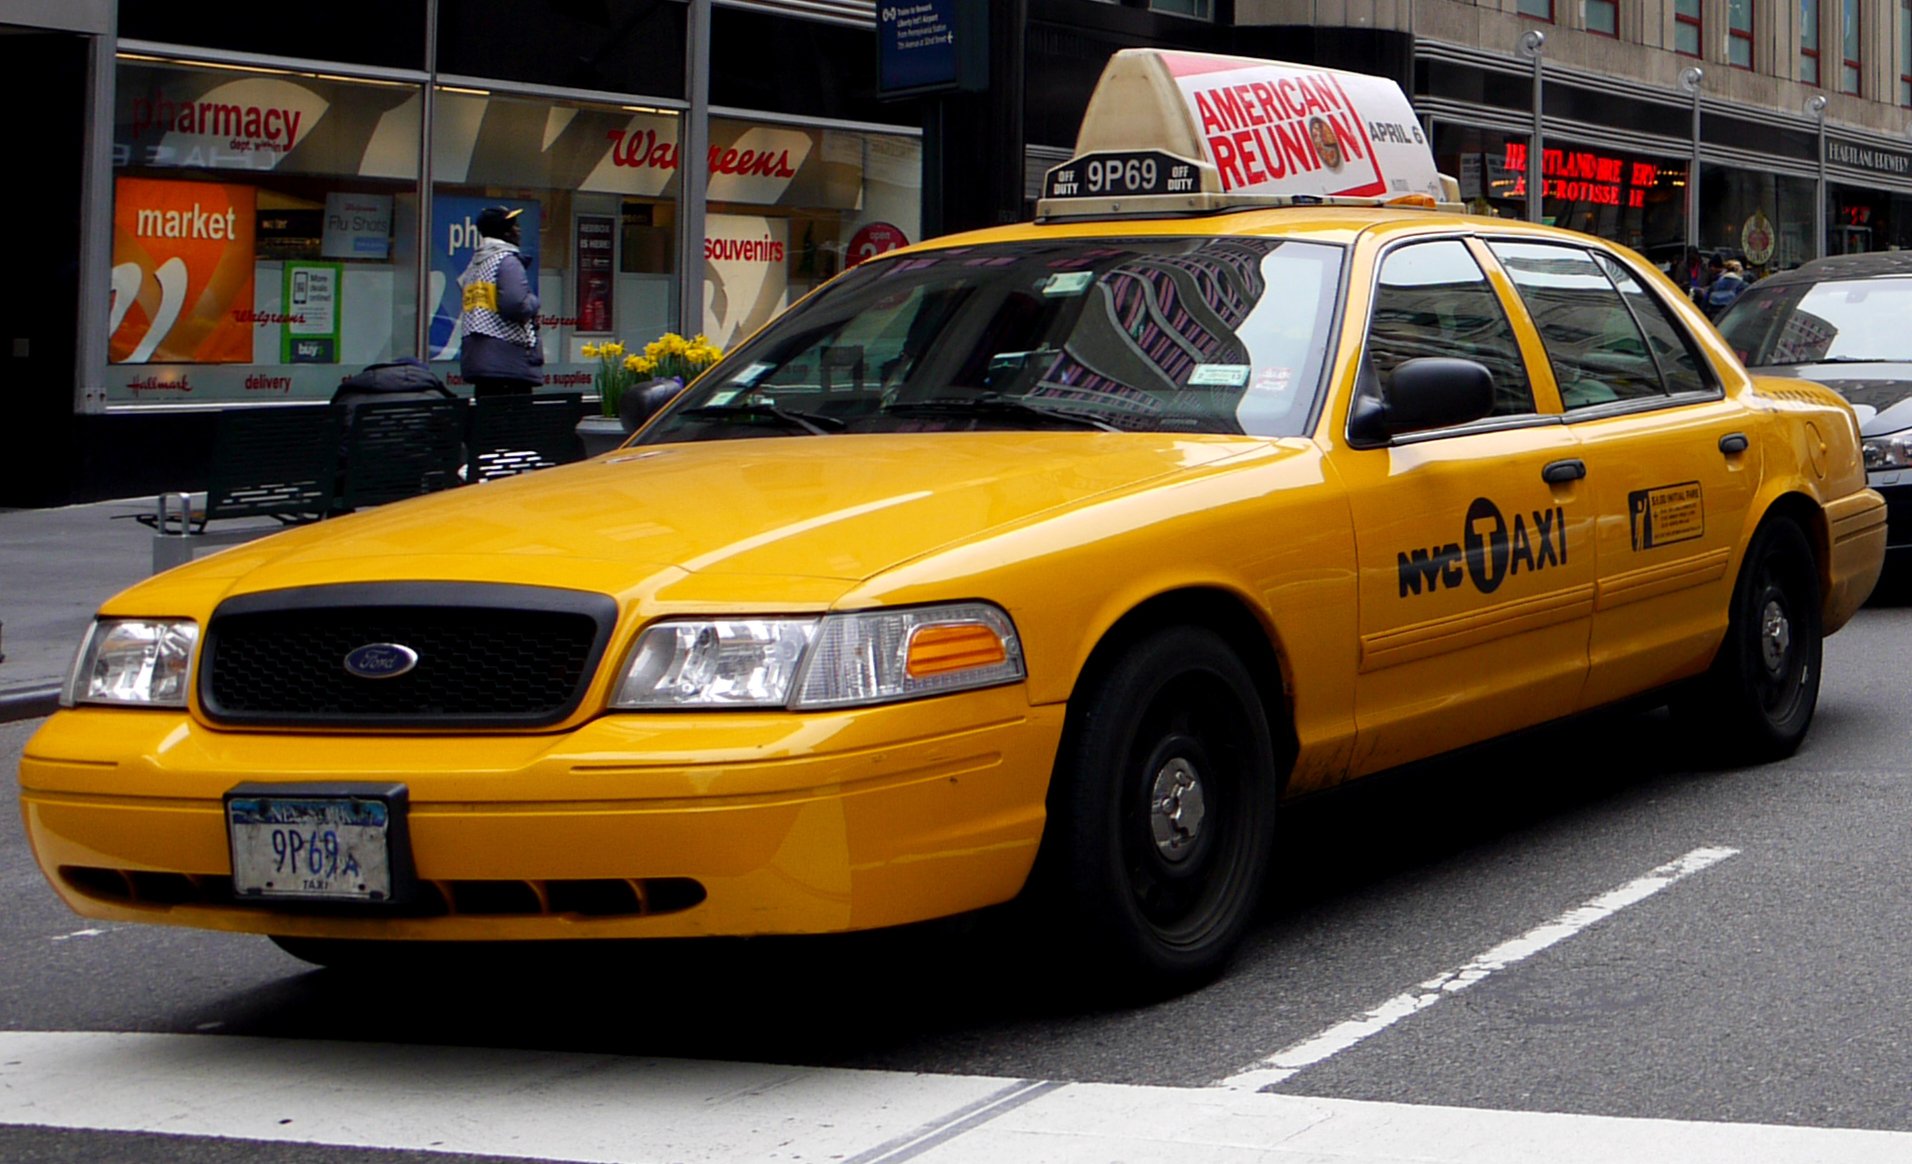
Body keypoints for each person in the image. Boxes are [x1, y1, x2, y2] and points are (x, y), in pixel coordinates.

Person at [457, 205, 542, 397]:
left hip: (481, 359)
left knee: (488, 421)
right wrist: (534, 301)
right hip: (507, 360)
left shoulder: (476, 263)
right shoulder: (506, 261)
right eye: (514, 225)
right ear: (505, 232)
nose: (519, 230)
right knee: (510, 424)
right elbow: (517, 305)